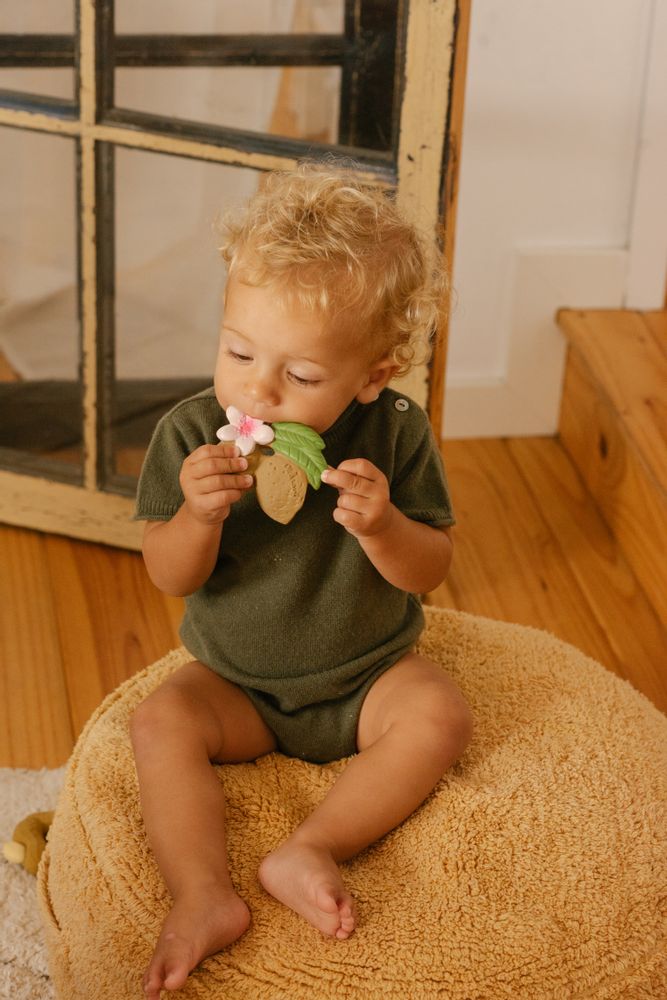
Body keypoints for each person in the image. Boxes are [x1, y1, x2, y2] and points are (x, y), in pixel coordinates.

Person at [132, 160, 473, 999]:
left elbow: (432, 566)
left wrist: (385, 526)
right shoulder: (188, 437)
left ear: (370, 375)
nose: (258, 388)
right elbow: (167, 573)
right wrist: (196, 517)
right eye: (239, 352)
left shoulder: (393, 434)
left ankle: (312, 845)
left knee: (440, 713)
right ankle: (204, 893)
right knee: (159, 721)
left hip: (366, 678)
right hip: (238, 685)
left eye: (303, 376)